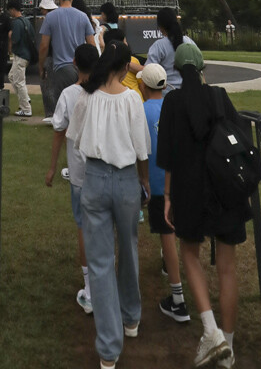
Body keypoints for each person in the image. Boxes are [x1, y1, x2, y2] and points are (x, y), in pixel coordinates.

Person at [157, 43, 252, 368]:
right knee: (227, 268)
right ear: (201, 69)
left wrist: (167, 196)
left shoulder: (173, 100)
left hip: (190, 191)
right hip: (225, 190)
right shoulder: (220, 96)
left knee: (190, 256)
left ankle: (210, 332)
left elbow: (167, 156)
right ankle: (228, 347)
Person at [67, 42, 151, 369]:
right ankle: (130, 318)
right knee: (128, 249)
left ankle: (108, 348)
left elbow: (75, 139)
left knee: (101, 262)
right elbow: (142, 149)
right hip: (127, 178)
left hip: (95, 179)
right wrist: (144, 182)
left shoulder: (85, 97)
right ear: (122, 67)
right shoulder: (132, 99)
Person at [45, 42, 100, 312]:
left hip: (79, 171)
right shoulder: (106, 92)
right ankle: (105, 285)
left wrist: (53, 167)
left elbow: (58, 131)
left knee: (83, 227)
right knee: (104, 227)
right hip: (104, 170)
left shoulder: (69, 94)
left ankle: (90, 290)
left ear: (75, 63)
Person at [137, 61, 190, 323]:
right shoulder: (175, 109)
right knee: (180, 235)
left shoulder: (141, 110)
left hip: (158, 185)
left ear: (143, 85)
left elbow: (140, 151)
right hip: (180, 182)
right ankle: (182, 278)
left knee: (167, 236)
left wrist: (142, 180)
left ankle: (178, 299)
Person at [38, 0, 95, 112]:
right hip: (81, 67)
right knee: (80, 107)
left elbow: (43, 46)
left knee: (63, 109)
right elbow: (92, 45)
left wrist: (41, 67)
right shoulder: (83, 16)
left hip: (61, 68)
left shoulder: (50, 17)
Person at [145, 7, 199, 89]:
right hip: (190, 91)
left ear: (160, 26)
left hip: (167, 93)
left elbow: (149, 71)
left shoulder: (159, 46)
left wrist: (130, 65)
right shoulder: (189, 41)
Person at [7, 0, 33, 117]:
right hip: (26, 53)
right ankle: (25, 99)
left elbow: (15, 39)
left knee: (19, 82)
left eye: (9, 10)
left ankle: (26, 108)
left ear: (12, 9)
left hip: (20, 55)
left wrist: (10, 36)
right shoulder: (26, 21)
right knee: (12, 76)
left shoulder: (16, 22)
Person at [38, 0, 59, 123]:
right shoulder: (60, 17)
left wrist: (41, 65)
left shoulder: (48, 20)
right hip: (61, 56)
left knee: (47, 84)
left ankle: (51, 113)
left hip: (51, 56)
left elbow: (44, 45)